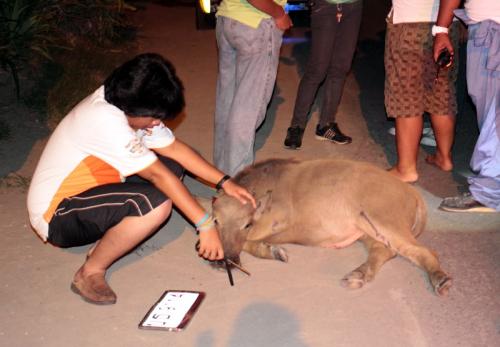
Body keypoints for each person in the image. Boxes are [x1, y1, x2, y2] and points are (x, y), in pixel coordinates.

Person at [27, 53, 256, 305]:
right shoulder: (104, 120)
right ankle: (90, 271)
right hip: (59, 215)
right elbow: (156, 175)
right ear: (134, 108)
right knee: (155, 205)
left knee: (175, 165)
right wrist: (205, 225)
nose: (157, 123)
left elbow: (174, 149)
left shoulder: (128, 102)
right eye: (154, 117)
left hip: (99, 188)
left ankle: (116, 233)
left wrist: (225, 181)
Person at [433, 0, 500, 212]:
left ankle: (490, 192)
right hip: (488, 25)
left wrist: (441, 29)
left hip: (493, 28)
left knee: (493, 114)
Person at [384, 0, 460, 184]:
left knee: (406, 94)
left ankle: (406, 169)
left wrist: (440, 30)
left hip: (410, 22)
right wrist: (442, 28)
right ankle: (444, 157)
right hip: (448, 22)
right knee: (441, 90)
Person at [214, 0, 293, 176]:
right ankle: (236, 183)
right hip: (255, 23)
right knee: (248, 109)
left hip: (228, 18)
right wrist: (279, 13)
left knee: (228, 100)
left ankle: (221, 174)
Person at [284, 0, 363, 150]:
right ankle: (296, 126)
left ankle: (326, 125)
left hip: (354, 7)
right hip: (326, 6)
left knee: (340, 68)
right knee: (317, 70)